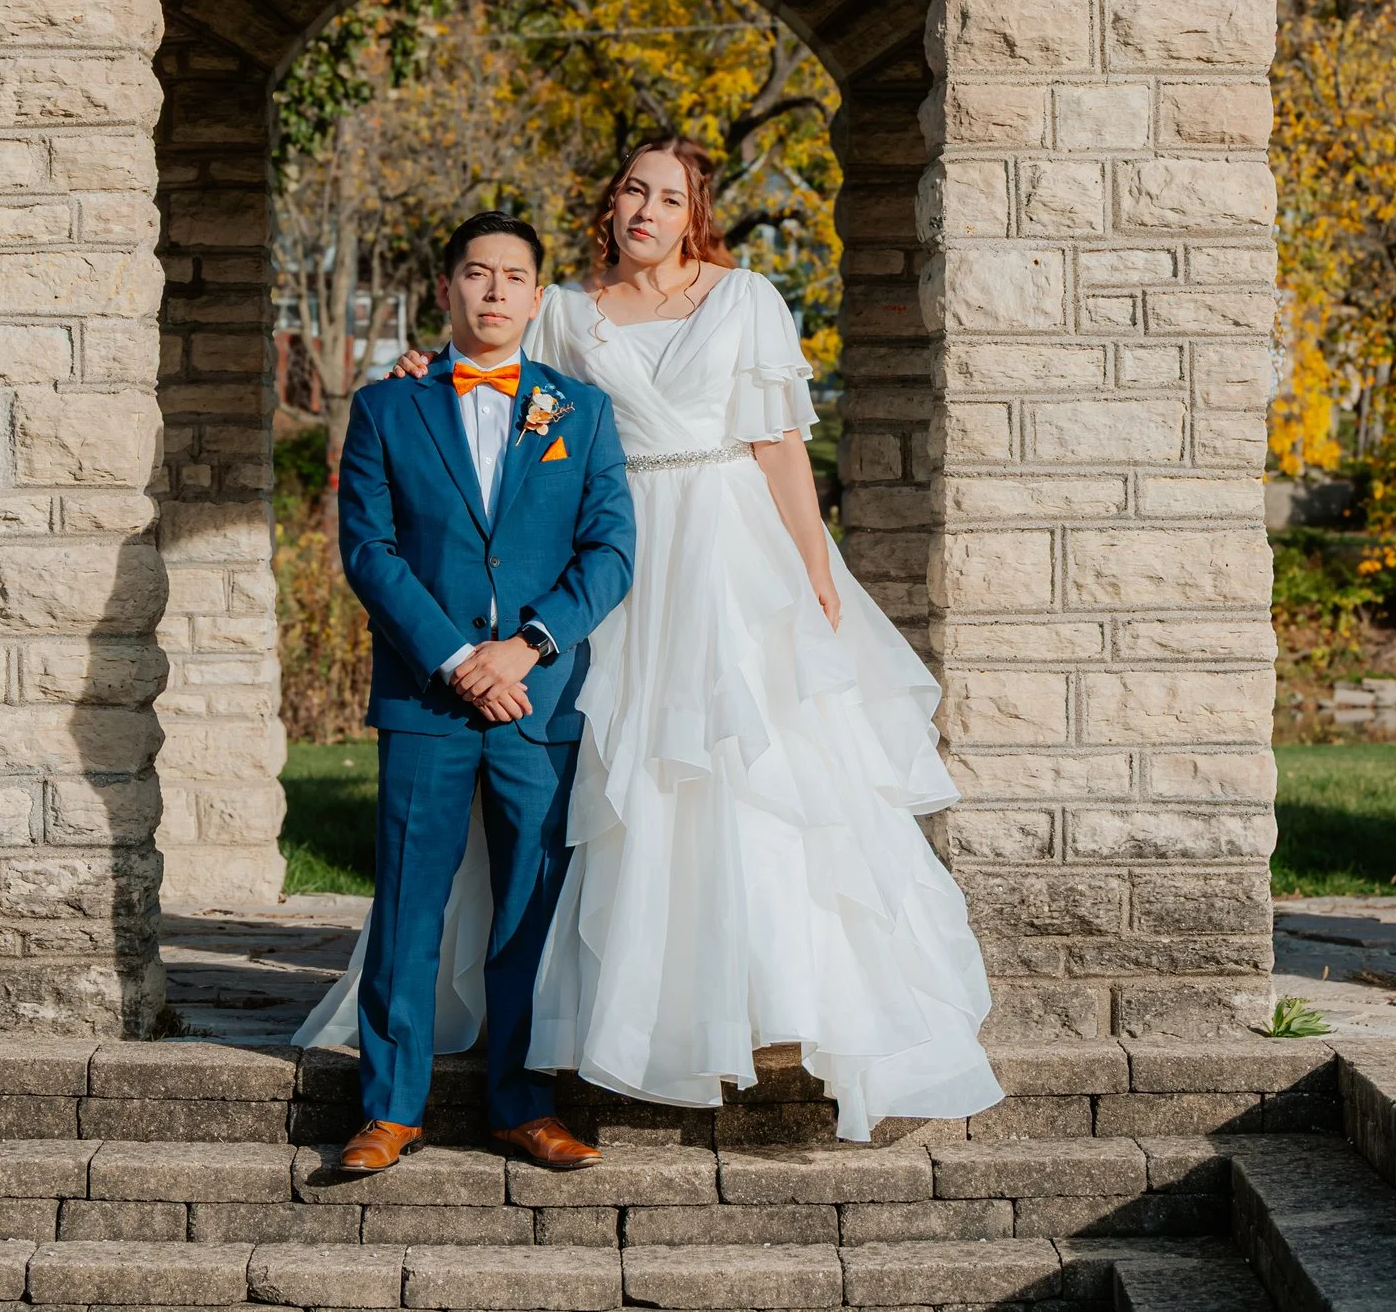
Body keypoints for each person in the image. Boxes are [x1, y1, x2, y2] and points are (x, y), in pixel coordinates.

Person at [298, 138, 1004, 1142]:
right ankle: (590, 1019)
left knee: (753, 767)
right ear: (611, 203)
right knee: (616, 785)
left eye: (668, 196)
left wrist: (810, 567)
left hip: (725, 547)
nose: (646, 207)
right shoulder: (566, 307)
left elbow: (778, 446)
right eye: (632, 187)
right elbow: (487, 354)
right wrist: (416, 363)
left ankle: (768, 998)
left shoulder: (746, 297)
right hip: (619, 557)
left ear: (693, 213)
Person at [325, 208, 637, 1173]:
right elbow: (368, 550)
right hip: (429, 696)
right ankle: (389, 1107)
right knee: (408, 906)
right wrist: (459, 657)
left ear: (539, 298)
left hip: (538, 702)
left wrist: (527, 648)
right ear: (448, 288)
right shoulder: (387, 408)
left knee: (529, 912)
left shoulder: (579, 413)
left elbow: (612, 549)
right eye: (476, 272)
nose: (495, 289)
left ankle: (520, 1100)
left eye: (513, 276)